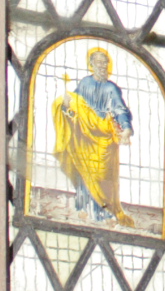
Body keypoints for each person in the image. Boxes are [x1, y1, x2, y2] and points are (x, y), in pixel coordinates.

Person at [53, 46, 134, 225]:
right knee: (84, 172)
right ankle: (84, 207)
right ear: (91, 65)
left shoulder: (112, 89)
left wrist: (126, 128)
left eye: (104, 62)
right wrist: (66, 106)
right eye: (98, 62)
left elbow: (120, 109)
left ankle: (102, 212)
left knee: (103, 176)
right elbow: (77, 105)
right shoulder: (84, 83)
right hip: (84, 136)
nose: (102, 65)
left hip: (104, 138)